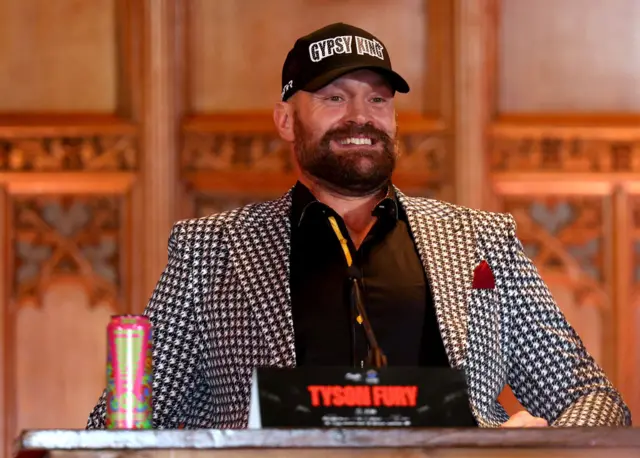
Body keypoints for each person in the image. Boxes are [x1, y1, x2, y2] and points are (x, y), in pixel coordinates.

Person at [86, 22, 631, 429]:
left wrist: (524, 447)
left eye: (377, 99)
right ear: (285, 120)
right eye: (332, 98)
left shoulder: (479, 240)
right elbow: (126, 421)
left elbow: (592, 398)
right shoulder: (212, 249)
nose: (360, 117)